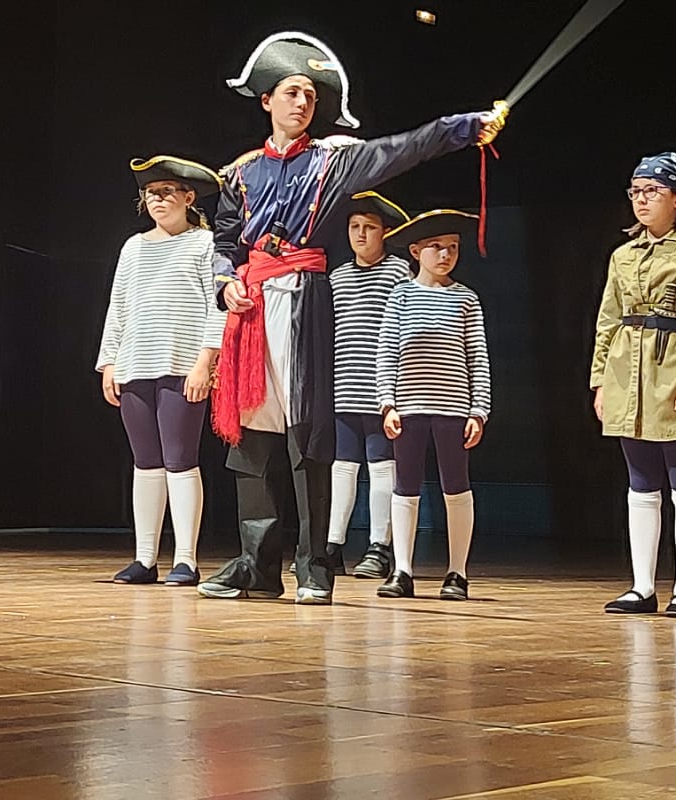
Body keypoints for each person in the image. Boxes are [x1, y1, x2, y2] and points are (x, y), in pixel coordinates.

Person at [198, 31, 505, 604]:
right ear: (266, 100)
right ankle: (257, 565)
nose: (302, 103)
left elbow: (405, 146)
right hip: (255, 305)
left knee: (310, 437)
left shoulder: (333, 161)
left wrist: (466, 127)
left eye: (311, 96)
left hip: (306, 298)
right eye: (291, 92)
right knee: (253, 438)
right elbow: (223, 241)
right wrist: (223, 284)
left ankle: (314, 567)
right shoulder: (239, 173)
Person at [594, 154, 676, 618]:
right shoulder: (622, 255)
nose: (641, 200)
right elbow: (608, 320)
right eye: (635, 191)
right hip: (628, 374)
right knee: (640, 482)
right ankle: (642, 585)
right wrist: (600, 382)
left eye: (652, 191)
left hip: (674, 371)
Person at [97, 157, 224, 585]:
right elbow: (118, 308)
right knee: (146, 463)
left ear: (189, 197)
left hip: (181, 365)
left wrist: (206, 362)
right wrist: (109, 362)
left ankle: (185, 559)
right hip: (135, 365)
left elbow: (217, 307)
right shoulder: (133, 247)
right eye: (151, 193)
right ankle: (145, 558)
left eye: (167, 191)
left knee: (180, 461)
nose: (158, 199)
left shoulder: (205, 244)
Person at [372, 209, 491, 601]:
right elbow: (387, 350)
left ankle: (457, 572)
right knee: (405, 487)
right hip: (408, 408)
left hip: (453, 410)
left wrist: (478, 410)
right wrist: (387, 403)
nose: (445, 255)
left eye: (453, 248)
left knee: (456, 488)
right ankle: (402, 569)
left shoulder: (465, 298)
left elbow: (477, 357)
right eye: (436, 248)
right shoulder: (401, 294)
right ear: (416, 251)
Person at [328, 191, 412, 581]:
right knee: (342, 468)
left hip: (381, 392)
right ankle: (332, 545)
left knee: (382, 469)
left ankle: (380, 546)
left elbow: (404, 334)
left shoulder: (398, 273)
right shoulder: (338, 277)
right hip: (344, 388)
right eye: (354, 228)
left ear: (386, 232)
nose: (360, 235)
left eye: (369, 228)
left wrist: (394, 392)